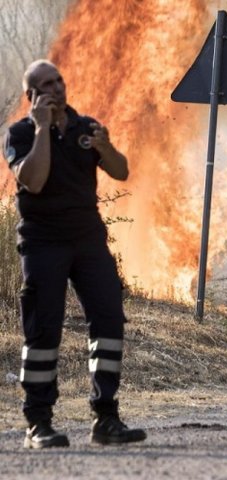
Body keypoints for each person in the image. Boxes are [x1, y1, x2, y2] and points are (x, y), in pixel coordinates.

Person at [2, 59, 147, 448]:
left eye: (59, 81)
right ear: (30, 96)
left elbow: (121, 171)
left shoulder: (86, 129)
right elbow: (33, 181)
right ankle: (38, 423)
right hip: (43, 242)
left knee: (110, 320)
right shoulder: (19, 134)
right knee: (43, 330)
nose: (56, 89)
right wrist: (41, 129)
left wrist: (105, 145)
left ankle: (106, 418)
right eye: (45, 85)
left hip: (88, 241)